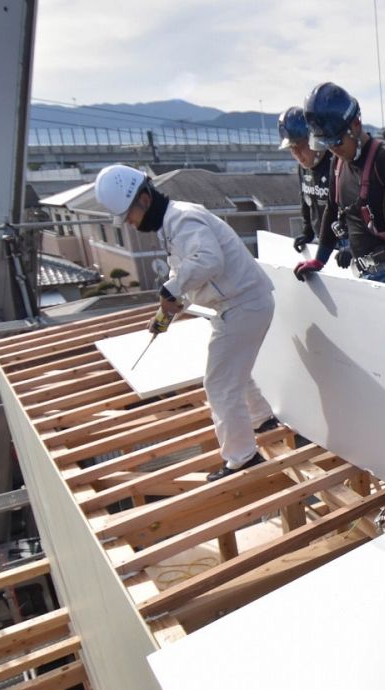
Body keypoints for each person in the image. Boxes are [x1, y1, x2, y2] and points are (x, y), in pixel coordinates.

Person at [94, 164, 280, 482]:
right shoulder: (172, 225)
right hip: (242, 304)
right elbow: (189, 273)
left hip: (243, 305)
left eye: (129, 216)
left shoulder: (182, 219)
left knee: (219, 384)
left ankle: (242, 458)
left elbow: (208, 261)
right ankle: (263, 419)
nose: (129, 223)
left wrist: (173, 289)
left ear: (143, 200)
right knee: (233, 372)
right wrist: (167, 309)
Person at [293, 82, 385, 293]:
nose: (334, 150)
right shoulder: (337, 164)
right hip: (366, 272)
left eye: (337, 143)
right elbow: (331, 210)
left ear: (356, 124)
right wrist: (319, 259)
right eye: (327, 145)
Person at [277, 106, 333, 256]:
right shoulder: (303, 168)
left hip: (344, 241)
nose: (297, 155)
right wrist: (307, 230)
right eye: (292, 149)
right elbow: (306, 200)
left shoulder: (335, 163)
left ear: (314, 138)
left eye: (300, 147)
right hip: (322, 240)